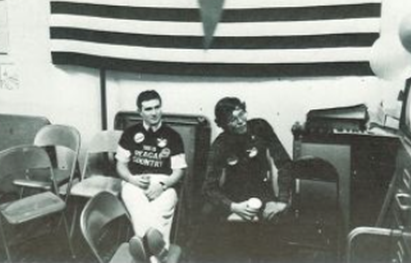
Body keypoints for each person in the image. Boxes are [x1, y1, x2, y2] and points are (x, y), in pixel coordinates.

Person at [201, 96, 293, 262]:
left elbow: (285, 163)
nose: (240, 121)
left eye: (242, 114)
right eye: (232, 120)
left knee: (274, 226)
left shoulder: (261, 127)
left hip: (263, 194)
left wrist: (282, 200)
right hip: (233, 197)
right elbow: (208, 188)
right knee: (207, 221)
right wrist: (233, 206)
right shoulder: (220, 144)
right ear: (223, 125)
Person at [116, 90, 187, 263]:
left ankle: (144, 251)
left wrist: (162, 185)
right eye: (148, 109)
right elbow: (120, 165)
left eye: (157, 107)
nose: (154, 112)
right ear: (140, 112)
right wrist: (132, 179)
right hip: (135, 182)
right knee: (141, 209)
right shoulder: (129, 133)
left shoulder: (173, 136)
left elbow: (179, 171)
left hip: (165, 183)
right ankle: (159, 254)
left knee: (159, 210)